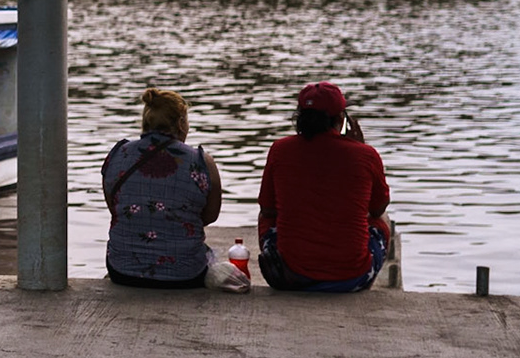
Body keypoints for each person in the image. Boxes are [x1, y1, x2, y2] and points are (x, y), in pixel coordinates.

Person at [257, 82, 391, 292]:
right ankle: (361, 285)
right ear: (341, 119)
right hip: (352, 277)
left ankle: (294, 270)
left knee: (265, 217)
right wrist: (360, 148)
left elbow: (267, 210)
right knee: (383, 219)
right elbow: (377, 208)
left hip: (292, 274)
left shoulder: (279, 150)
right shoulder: (367, 155)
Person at [102, 88, 224, 288]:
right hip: (185, 274)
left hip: (122, 271)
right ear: (181, 123)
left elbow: (114, 207)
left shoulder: (117, 155)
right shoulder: (202, 162)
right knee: (210, 255)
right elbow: (210, 216)